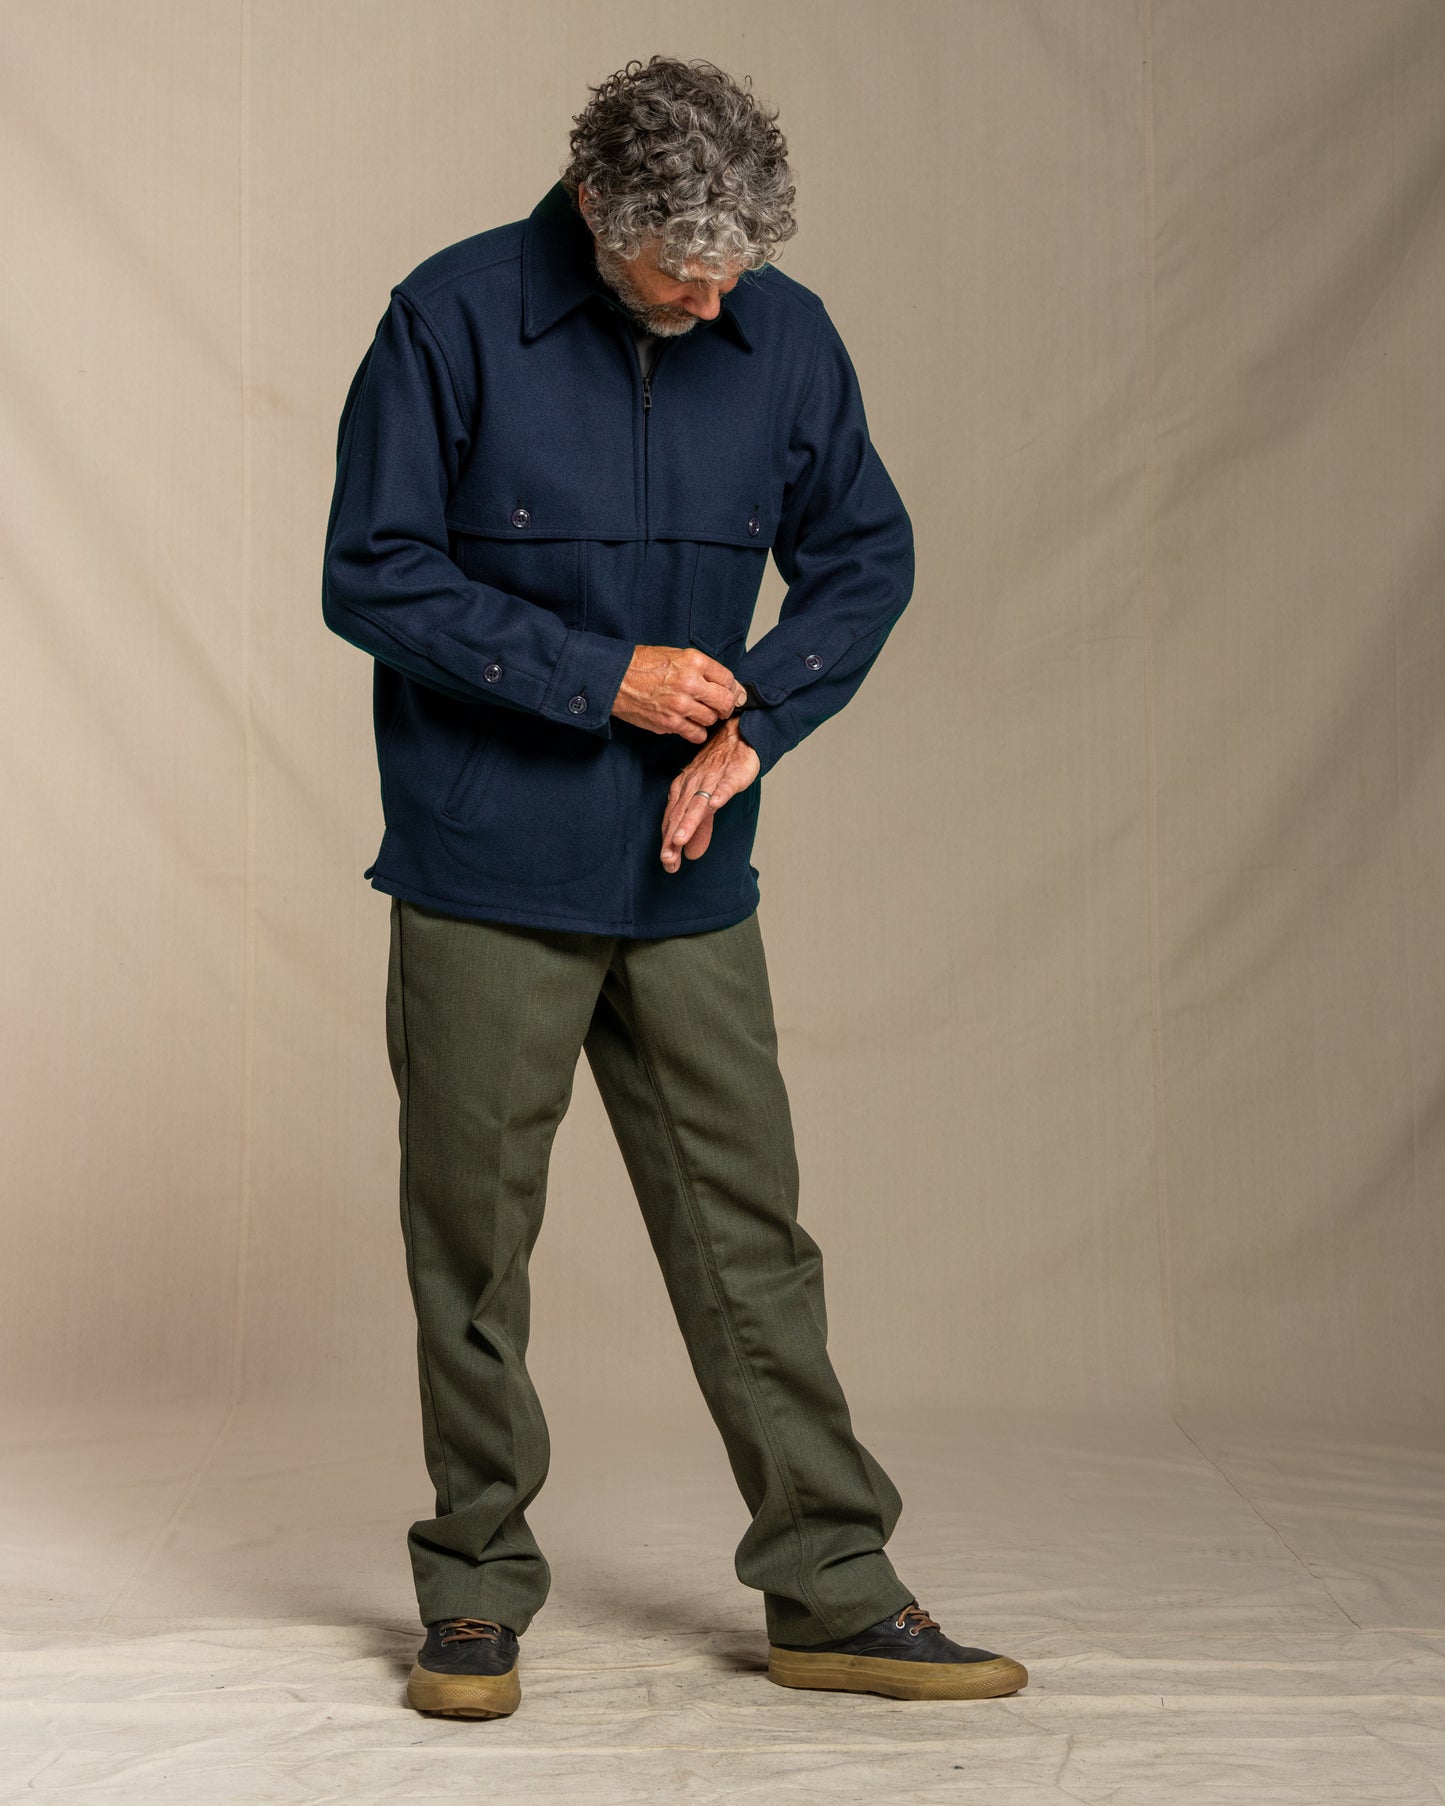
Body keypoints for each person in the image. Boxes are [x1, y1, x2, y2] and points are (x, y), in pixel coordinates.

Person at [322, 52, 1027, 1719]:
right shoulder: (444, 317)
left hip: (688, 872)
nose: (714, 304)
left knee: (752, 1245)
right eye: (681, 271)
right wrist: (602, 678)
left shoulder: (781, 335)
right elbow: (374, 572)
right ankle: (477, 1589)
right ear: (594, 212)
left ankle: (832, 1588)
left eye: (737, 272)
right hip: (489, 866)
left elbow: (865, 554)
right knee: (472, 1245)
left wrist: (756, 723)